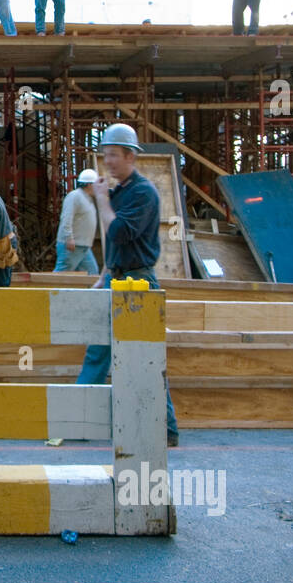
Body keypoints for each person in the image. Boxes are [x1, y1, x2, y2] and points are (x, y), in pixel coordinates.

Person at [76, 123, 179, 447]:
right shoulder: (120, 191)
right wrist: (104, 273)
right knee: (99, 349)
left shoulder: (143, 193)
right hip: (117, 277)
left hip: (138, 283)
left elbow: (118, 232)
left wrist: (103, 200)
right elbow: (114, 244)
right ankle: (78, 417)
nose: (107, 162)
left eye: (113, 156)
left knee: (143, 356)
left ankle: (167, 428)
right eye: (105, 155)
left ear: (131, 156)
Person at [56, 168, 99, 274]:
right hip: (73, 246)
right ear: (89, 184)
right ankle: (47, 290)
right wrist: (69, 238)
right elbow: (66, 218)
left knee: (92, 274)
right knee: (62, 275)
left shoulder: (88, 198)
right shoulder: (75, 196)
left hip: (83, 246)